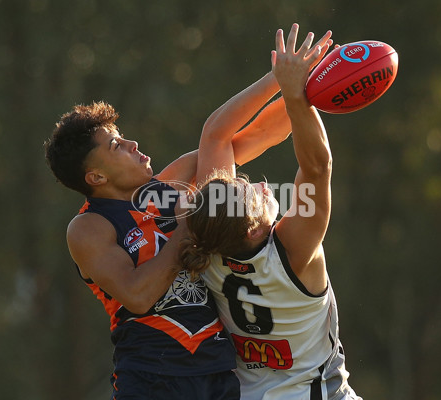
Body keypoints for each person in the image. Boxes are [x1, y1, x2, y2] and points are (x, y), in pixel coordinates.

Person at [43, 31, 330, 398]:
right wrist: (190, 225)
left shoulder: (172, 183)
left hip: (218, 369)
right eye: (116, 146)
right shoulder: (88, 228)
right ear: (96, 177)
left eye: (123, 136)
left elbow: (247, 135)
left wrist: (305, 88)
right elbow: (138, 295)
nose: (132, 144)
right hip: (152, 374)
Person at [179, 24, 362, 400]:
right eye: (251, 193)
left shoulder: (207, 246)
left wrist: (294, 87)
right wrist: (289, 89)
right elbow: (317, 168)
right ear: (252, 231)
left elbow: (216, 136)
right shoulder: (293, 250)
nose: (259, 185)